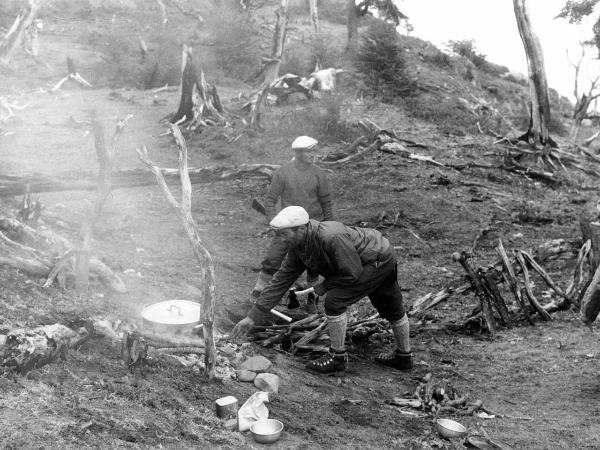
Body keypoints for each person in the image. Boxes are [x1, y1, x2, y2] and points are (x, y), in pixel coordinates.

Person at [231, 206, 413, 374]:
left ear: (301, 229)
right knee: (391, 306)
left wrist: (323, 286)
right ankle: (404, 357)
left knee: (335, 301)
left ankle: (337, 357)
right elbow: (281, 280)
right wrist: (253, 316)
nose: (281, 239)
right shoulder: (298, 247)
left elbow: (352, 273)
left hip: (377, 258)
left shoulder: (330, 237)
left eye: (283, 234)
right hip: (375, 255)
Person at [251, 135, 333, 299]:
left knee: (313, 266)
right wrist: (274, 223)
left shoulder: (319, 174)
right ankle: (257, 293)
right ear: (298, 153)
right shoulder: (283, 173)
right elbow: (270, 200)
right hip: (288, 227)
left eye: (314, 151)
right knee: (272, 259)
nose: (313, 154)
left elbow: (326, 203)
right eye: (309, 152)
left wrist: (328, 228)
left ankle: (312, 300)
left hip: (312, 226)